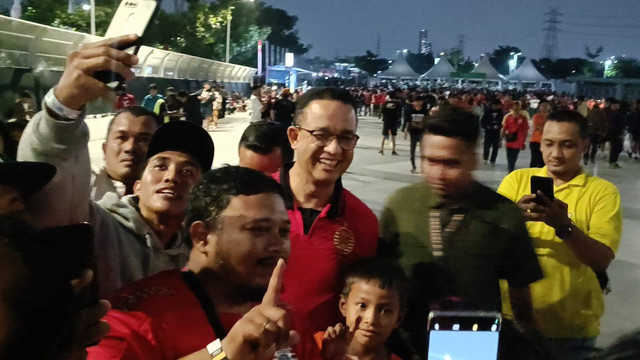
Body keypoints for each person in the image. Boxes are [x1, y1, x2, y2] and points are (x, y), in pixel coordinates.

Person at [18, 34, 215, 298]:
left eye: (188, 171)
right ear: (136, 185)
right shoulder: (98, 228)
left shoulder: (203, 251)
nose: (172, 177)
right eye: (159, 165)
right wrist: (63, 107)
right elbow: (50, 183)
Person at [378, 106, 542, 359]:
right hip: (403, 344)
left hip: (471, 345)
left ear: (473, 160)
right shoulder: (401, 205)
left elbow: (520, 293)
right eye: (430, 161)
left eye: (451, 164)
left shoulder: (502, 214)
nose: (438, 173)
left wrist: (529, 341)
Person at [87, 166, 293, 360]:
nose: (278, 244)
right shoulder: (139, 317)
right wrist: (222, 353)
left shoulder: (279, 314)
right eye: (258, 229)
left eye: (283, 232)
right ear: (202, 236)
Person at [497, 110, 622, 360]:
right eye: (549, 144)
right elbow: (490, 246)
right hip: (514, 323)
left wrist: (564, 227)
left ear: (585, 145)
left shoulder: (602, 193)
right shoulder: (516, 181)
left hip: (571, 331)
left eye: (567, 145)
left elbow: (601, 260)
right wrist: (513, 218)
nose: (556, 154)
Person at [279, 87, 379, 360]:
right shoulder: (249, 201)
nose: (334, 149)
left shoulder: (363, 222)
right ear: (294, 136)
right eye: (321, 135)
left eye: (346, 138)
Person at [315, 259, 407, 360]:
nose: (371, 319)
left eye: (385, 311)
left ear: (398, 318)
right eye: (362, 305)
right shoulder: (318, 345)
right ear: (343, 306)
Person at [93, 106, 159, 201]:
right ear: (105, 149)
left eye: (144, 139)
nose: (130, 147)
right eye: (121, 138)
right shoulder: (81, 186)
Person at [404, 94, 429, 173]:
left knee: (422, 150)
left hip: (422, 131)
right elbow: (408, 122)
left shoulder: (425, 111)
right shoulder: (411, 111)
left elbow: (427, 121)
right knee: (412, 150)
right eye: (416, 101)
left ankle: (423, 166)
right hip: (413, 132)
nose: (417, 103)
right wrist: (406, 131)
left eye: (419, 101)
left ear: (421, 102)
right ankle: (413, 166)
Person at [502, 101, 530, 172]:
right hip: (510, 139)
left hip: (518, 140)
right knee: (509, 155)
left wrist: (523, 141)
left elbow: (525, 130)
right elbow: (505, 128)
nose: (516, 107)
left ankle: (511, 169)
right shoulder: (508, 117)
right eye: (515, 105)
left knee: (514, 156)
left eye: (518, 106)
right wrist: (501, 138)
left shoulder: (523, 118)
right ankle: (510, 167)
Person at [480, 98, 504, 167]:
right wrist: (486, 126)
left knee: (495, 147)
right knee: (486, 145)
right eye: (494, 105)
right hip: (488, 131)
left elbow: (502, 122)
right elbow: (483, 121)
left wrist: (499, 126)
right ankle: (485, 157)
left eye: (497, 105)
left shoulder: (500, 112)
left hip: (496, 132)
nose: (495, 107)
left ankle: (493, 160)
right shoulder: (487, 111)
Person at [379, 90, 402, 156]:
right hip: (394, 121)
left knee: (384, 135)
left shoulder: (385, 103)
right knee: (393, 136)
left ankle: (382, 149)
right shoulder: (397, 104)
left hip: (386, 120)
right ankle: (393, 150)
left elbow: (382, 111)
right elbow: (399, 112)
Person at [584, 101, 607, 165]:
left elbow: (585, 121)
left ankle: (586, 158)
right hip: (597, 132)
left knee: (587, 146)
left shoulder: (590, 113)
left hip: (589, 132)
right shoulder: (602, 114)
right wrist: (603, 132)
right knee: (595, 146)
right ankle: (592, 158)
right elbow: (604, 124)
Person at [605, 98, 625, 168]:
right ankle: (612, 161)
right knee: (615, 147)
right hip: (614, 133)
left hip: (615, 133)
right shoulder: (615, 113)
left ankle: (613, 161)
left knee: (617, 148)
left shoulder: (616, 113)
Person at [530, 102, 550, 168]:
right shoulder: (536, 116)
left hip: (546, 142)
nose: (544, 109)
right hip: (535, 141)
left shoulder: (550, 117)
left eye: (546, 107)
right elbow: (536, 127)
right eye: (543, 107)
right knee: (534, 160)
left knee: (543, 162)